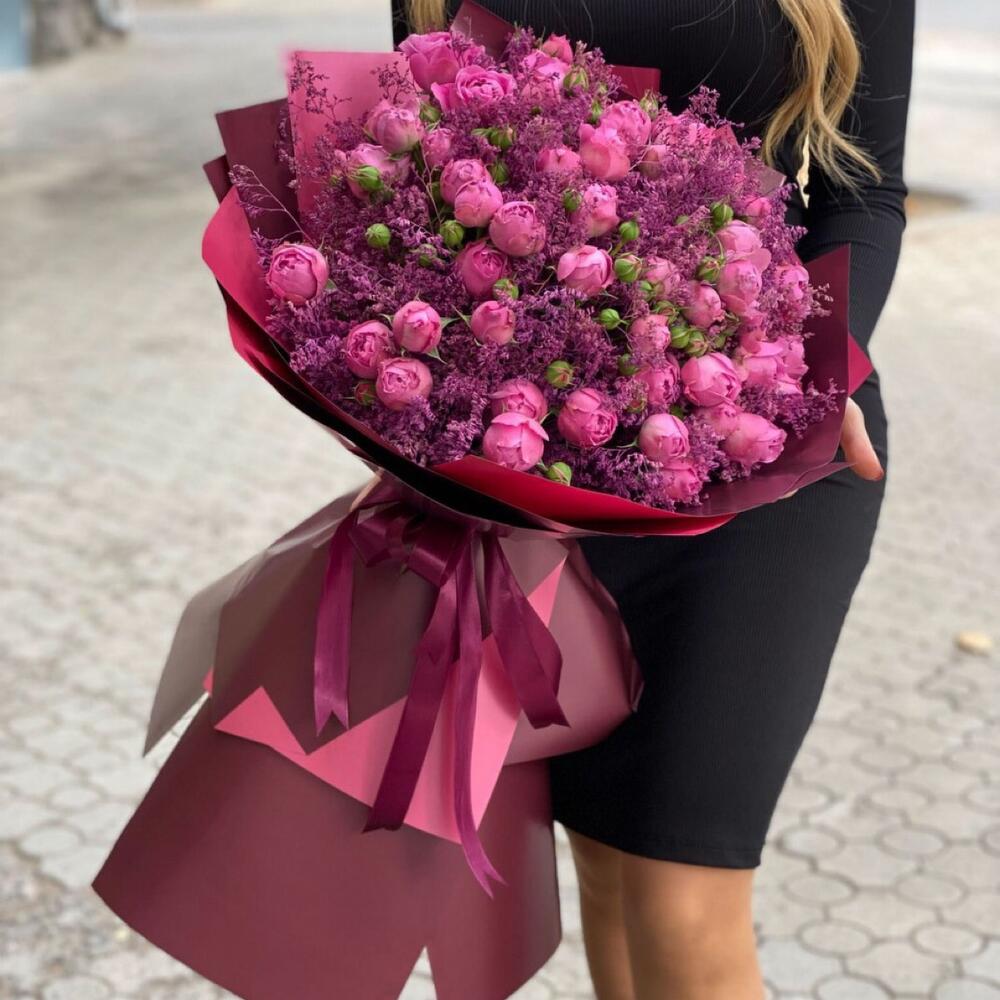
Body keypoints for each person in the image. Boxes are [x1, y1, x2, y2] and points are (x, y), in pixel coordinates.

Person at [395, 1, 913, 998]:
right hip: (531, 455)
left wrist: (821, 363)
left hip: (764, 435)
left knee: (681, 891)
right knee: (606, 853)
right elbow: (419, 152)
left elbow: (866, 187)